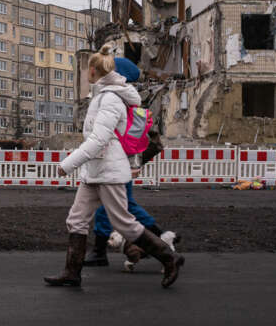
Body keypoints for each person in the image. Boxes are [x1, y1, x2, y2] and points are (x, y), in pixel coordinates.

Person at [44, 45, 184, 289]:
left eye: (89, 68)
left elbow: (98, 140)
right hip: (96, 171)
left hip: (107, 171)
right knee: (76, 219)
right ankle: (72, 272)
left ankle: (169, 258)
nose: (87, 73)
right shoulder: (102, 96)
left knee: (124, 223)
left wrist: (67, 165)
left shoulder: (110, 99)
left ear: (96, 72)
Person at [83, 55, 179, 271]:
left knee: (113, 207)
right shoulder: (124, 100)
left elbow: (117, 136)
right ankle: (162, 237)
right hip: (118, 162)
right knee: (124, 205)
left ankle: (160, 245)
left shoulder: (118, 101)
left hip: (117, 163)